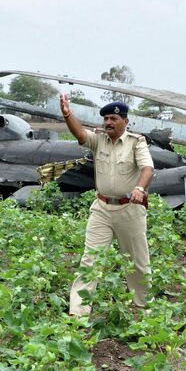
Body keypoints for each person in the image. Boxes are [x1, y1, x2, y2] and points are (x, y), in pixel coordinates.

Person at [59, 95, 155, 316]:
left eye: (113, 118)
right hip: (101, 209)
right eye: (106, 119)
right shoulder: (99, 140)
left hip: (129, 209)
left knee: (137, 264)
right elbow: (80, 134)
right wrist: (67, 114)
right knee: (89, 261)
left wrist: (140, 189)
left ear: (125, 121)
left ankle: (143, 312)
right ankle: (78, 314)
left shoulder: (136, 142)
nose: (108, 123)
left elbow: (147, 169)